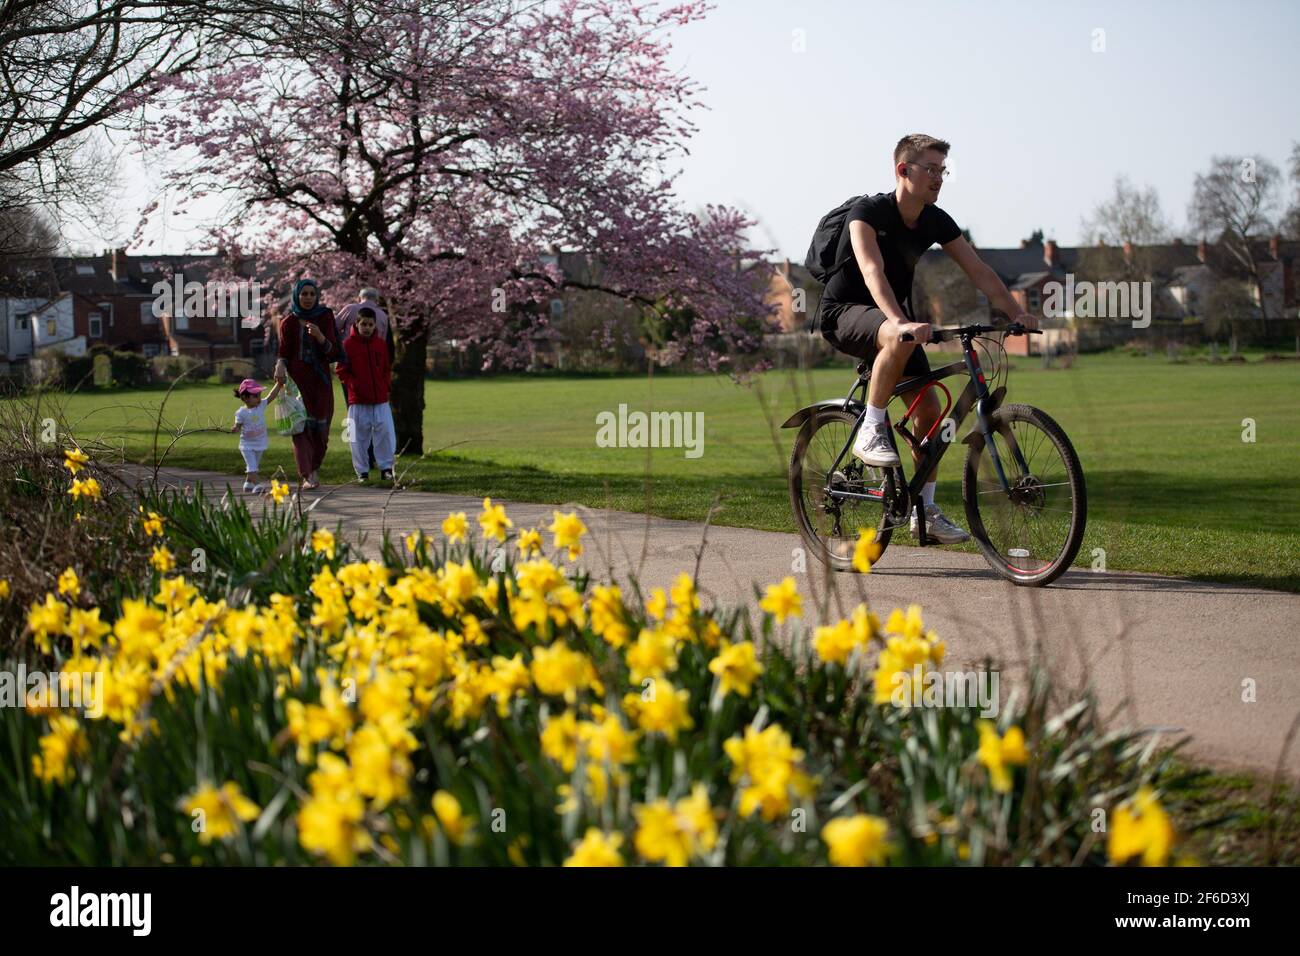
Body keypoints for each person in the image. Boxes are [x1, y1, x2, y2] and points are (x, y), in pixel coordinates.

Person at [817, 133, 1035, 544]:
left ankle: (925, 512)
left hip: (896, 322)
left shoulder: (935, 219)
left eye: (942, 170)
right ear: (904, 170)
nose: (938, 178)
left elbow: (979, 271)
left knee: (930, 412)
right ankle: (871, 427)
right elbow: (871, 270)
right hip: (844, 313)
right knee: (897, 339)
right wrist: (900, 322)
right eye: (930, 169)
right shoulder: (868, 213)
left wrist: (1015, 312)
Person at [273, 278, 341, 490]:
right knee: (300, 427)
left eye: (312, 294)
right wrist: (279, 366)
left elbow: (333, 352)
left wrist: (320, 336)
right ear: (297, 295)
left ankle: (314, 467)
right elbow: (284, 352)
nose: (308, 298)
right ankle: (308, 473)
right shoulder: (289, 322)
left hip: (320, 381)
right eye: (304, 294)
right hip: (297, 381)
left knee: (321, 429)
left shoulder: (325, 316)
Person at [334, 288, 394, 472]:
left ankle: (364, 461)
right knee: (381, 426)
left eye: (370, 325)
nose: (367, 327)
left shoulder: (349, 309)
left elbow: (334, 328)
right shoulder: (383, 316)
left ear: (359, 298)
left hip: (353, 372)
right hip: (374, 376)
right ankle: (375, 459)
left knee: (357, 421)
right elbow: (386, 352)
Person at [230, 377, 284, 492]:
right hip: (247, 445)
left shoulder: (261, 406)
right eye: (255, 396)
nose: (259, 398)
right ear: (245, 398)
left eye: (259, 395)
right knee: (252, 466)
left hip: (260, 443)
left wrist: (279, 384)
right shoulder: (241, 412)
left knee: (254, 466)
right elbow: (238, 425)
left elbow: (271, 396)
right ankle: (257, 485)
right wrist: (235, 428)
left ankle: (248, 484)